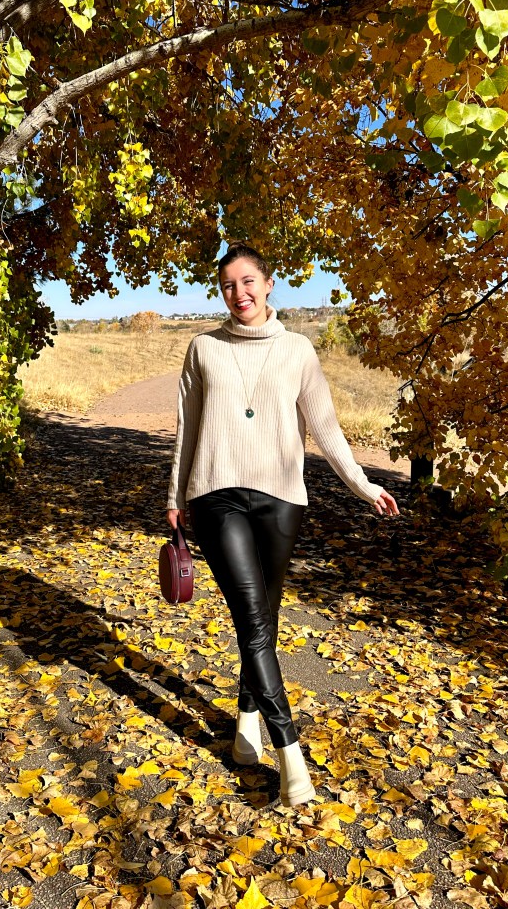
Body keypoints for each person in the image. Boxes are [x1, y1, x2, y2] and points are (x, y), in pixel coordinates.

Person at [167, 243, 399, 807]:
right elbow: (186, 427)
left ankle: (246, 724)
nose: (238, 293)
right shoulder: (203, 348)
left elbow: (327, 428)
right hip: (215, 496)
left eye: (248, 282)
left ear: (268, 285)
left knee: (262, 621)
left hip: (281, 501)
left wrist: (364, 486)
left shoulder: (299, 351)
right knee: (250, 614)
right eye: (227, 285)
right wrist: (174, 496)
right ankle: (290, 753)